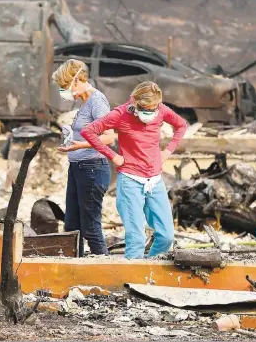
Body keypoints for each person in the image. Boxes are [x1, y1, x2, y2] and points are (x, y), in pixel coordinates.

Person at [81, 81, 187, 259]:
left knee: (167, 236)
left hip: (154, 180)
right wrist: (114, 156)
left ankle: (152, 268)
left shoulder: (161, 110)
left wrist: (167, 151)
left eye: (154, 108)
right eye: (146, 108)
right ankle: (133, 277)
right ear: (135, 101)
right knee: (136, 238)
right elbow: (89, 131)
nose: (150, 112)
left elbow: (181, 125)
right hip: (130, 180)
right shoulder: (120, 114)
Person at [52, 59, 115, 257]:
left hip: (92, 168)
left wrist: (80, 145)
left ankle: (105, 270)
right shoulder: (84, 102)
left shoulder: (97, 101)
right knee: (72, 225)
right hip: (78, 167)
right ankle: (75, 267)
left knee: (91, 227)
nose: (64, 92)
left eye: (65, 87)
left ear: (77, 81)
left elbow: (108, 137)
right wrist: (71, 135)